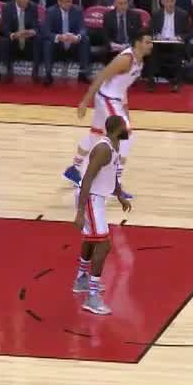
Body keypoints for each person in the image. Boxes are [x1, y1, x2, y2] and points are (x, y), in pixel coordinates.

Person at [64, 36, 153, 191]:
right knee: (126, 137)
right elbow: (101, 76)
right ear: (137, 43)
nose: (151, 45)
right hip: (108, 99)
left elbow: (122, 87)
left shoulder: (140, 62)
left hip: (112, 99)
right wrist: (85, 101)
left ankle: (74, 169)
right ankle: (115, 183)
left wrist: (125, 109)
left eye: (151, 42)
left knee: (96, 135)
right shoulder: (126, 59)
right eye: (147, 42)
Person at [74, 114, 134, 316]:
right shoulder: (103, 149)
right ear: (117, 129)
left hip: (98, 197)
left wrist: (120, 195)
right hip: (90, 197)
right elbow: (87, 178)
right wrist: (80, 212)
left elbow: (112, 176)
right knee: (104, 244)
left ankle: (81, 279)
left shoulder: (115, 147)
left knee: (91, 239)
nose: (128, 130)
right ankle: (92, 297)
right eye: (125, 127)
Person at [41, 0, 89, 86]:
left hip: (73, 44)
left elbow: (83, 28)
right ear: (59, 2)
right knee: (48, 42)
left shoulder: (77, 10)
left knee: (85, 40)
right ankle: (48, 75)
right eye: (66, 1)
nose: (69, 4)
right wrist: (59, 37)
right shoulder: (51, 12)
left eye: (70, 1)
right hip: (58, 45)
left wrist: (77, 37)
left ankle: (83, 73)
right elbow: (46, 32)